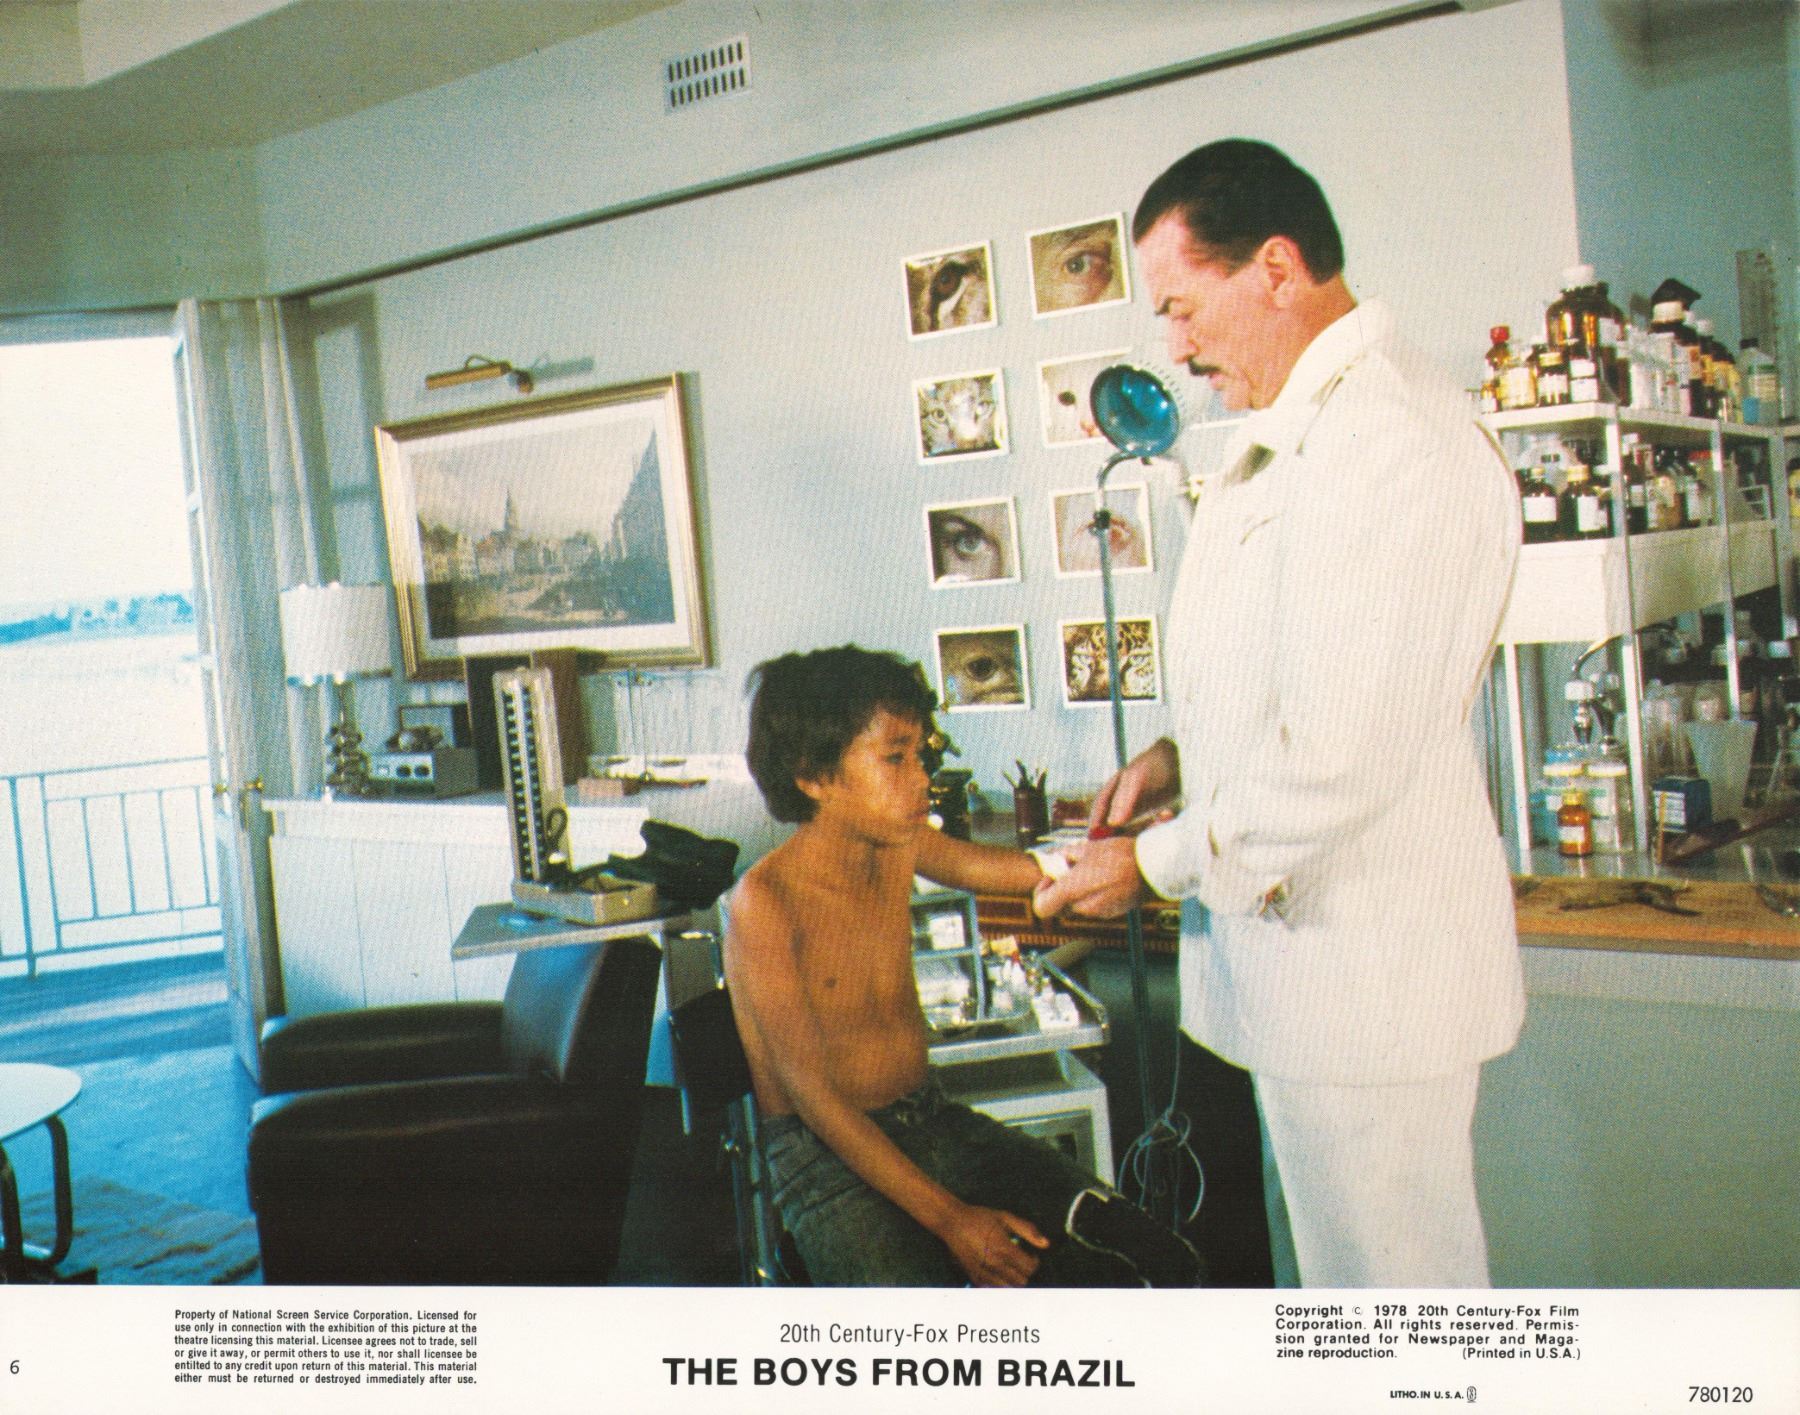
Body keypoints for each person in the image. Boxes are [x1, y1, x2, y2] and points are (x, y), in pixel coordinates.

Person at [1035, 139, 1525, 1288]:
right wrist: (1182, 753)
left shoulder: (1385, 441)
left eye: (1181, 308)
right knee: (1345, 1292)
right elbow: (1313, 671)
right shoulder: (1322, 429)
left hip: (1368, 980)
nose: (1175, 347)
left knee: (1395, 1312)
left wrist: (1150, 863)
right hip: (1318, 985)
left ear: (1275, 267)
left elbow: (1342, 751)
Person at [725, 645, 1200, 1287]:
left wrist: (1124, 851)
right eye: (896, 758)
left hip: (931, 1120)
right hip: (826, 1156)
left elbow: (1022, 870)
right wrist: (952, 1220)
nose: (922, 777)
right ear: (814, 777)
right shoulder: (766, 902)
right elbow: (815, 1100)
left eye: (920, 755)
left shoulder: (899, 842)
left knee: (1155, 1262)